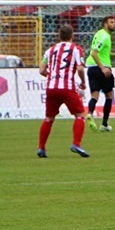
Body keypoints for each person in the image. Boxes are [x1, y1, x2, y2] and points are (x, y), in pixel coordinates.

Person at [37, 24, 90, 158]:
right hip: (67, 88)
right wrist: (83, 82)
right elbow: (80, 69)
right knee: (80, 115)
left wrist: (53, 76)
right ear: (72, 36)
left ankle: (41, 148)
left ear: (59, 36)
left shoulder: (50, 50)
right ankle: (76, 144)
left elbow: (41, 70)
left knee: (49, 118)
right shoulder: (76, 49)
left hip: (51, 87)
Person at [86, 16, 115, 132]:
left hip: (91, 68)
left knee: (94, 96)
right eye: (111, 22)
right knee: (109, 96)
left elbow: (104, 53)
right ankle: (104, 124)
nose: (114, 24)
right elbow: (94, 52)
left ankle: (90, 114)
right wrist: (102, 68)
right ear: (105, 24)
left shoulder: (99, 34)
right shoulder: (104, 36)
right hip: (102, 68)